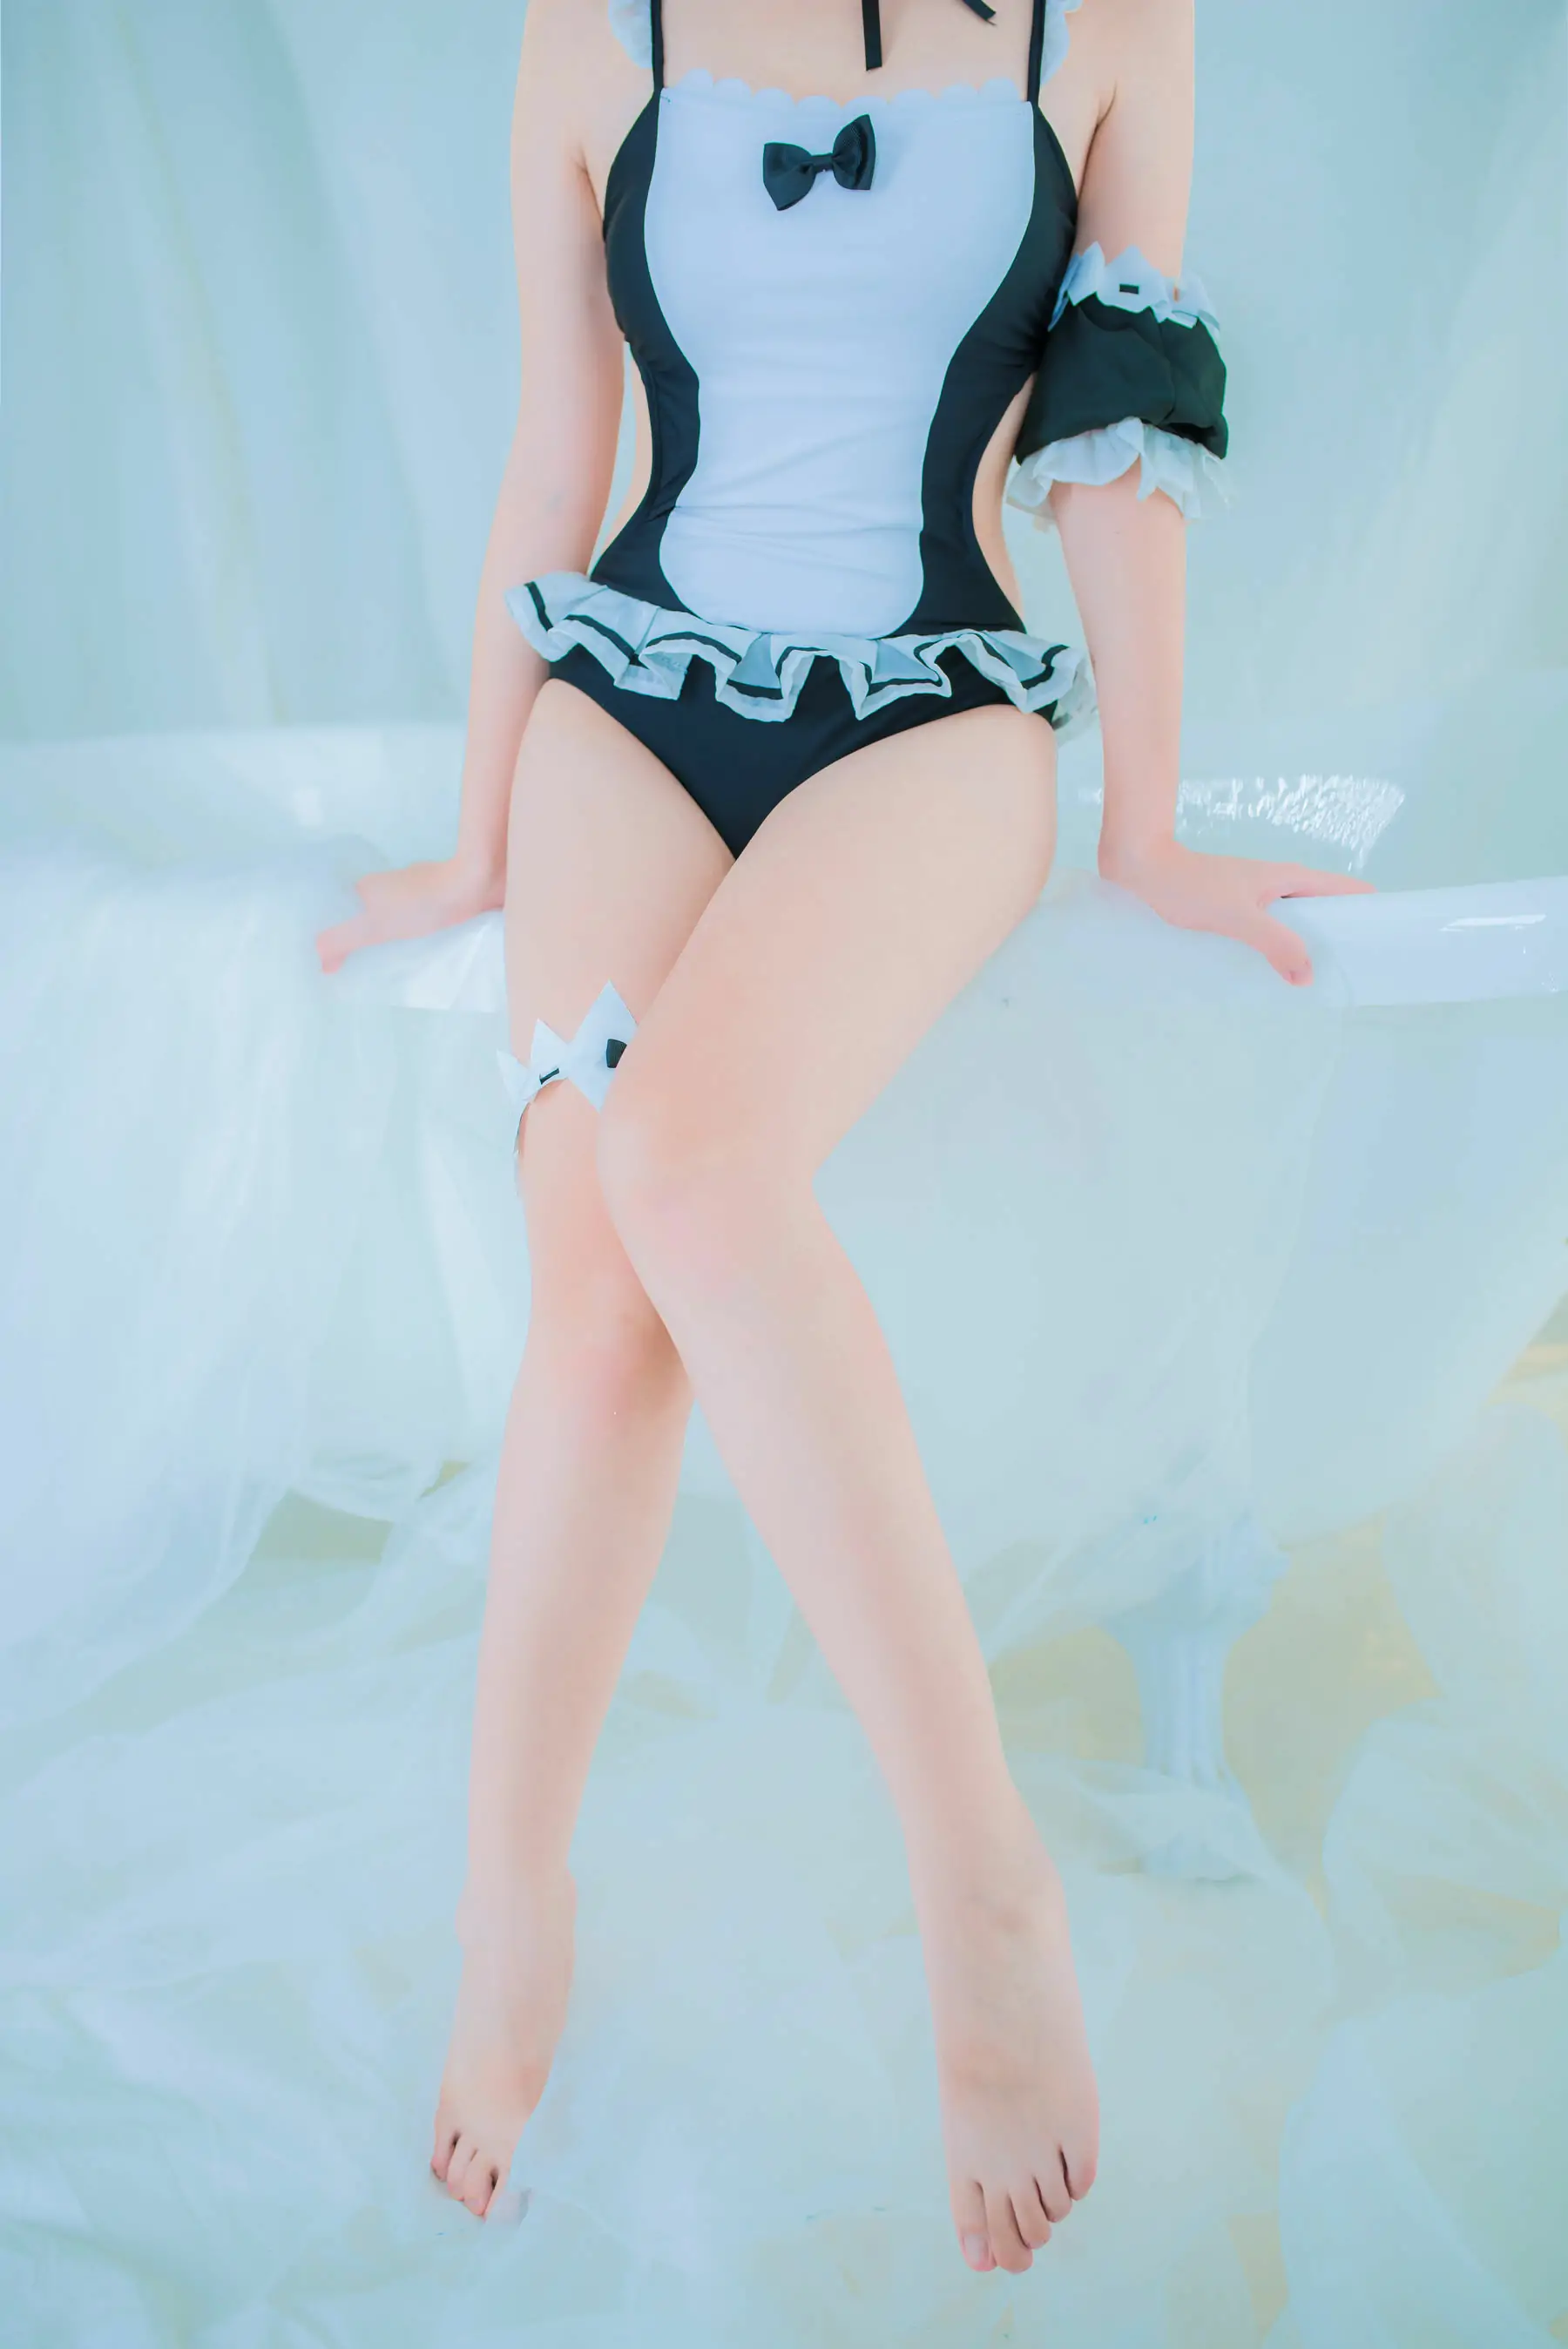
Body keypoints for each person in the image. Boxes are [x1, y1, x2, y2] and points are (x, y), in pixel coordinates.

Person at [317, 0, 1369, 2278]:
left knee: (689, 1164)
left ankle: (979, 1881)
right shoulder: (593, 28)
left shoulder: (1115, 23)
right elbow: (558, 450)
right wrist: (474, 837)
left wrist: (1154, 820)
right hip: (632, 696)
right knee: (596, 1287)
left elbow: (1111, 432)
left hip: (939, 707)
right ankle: (516, 1905)